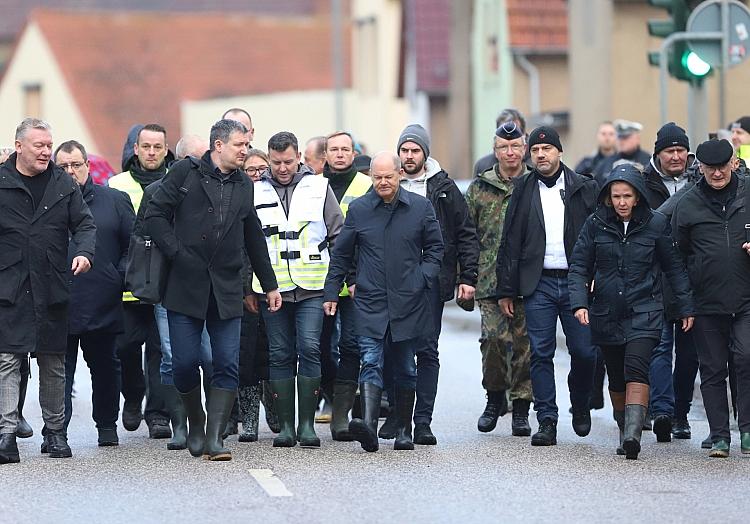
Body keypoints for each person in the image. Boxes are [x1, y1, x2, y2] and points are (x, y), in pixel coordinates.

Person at [145, 119, 281, 461]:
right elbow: (154, 216)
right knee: (184, 363)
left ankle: (215, 436)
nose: (245, 151)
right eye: (239, 145)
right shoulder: (184, 174)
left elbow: (253, 236)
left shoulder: (243, 185)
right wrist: (176, 253)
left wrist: (269, 285)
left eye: (247, 146)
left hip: (226, 286)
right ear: (218, 145)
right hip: (184, 284)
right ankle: (195, 420)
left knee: (226, 363)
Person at [568, 164, 694, 459]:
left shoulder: (656, 224)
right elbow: (579, 267)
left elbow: (674, 268)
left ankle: (632, 437)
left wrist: (686, 306)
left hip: (645, 308)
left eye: (627, 196)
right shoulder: (595, 224)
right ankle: (625, 425)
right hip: (606, 311)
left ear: (637, 197)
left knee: (637, 366)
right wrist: (579, 303)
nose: (621, 202)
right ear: (608, 197)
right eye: (616, 196)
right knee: (615, 376)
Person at [323, 152, 444, 452]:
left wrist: (422, 278)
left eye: (388, 176)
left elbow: (436, 248)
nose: (383, 182)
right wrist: (331, 291)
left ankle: (404, 429)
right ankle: (369, 428)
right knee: (371, 360)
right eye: (377, 177)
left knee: (405, 366)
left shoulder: (420, 207)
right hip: (370, 300)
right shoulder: (360, 209)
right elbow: (342, 254)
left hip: (408, 301)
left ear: (400, 174)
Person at [0, 118, 96, 464]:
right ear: (19, 145)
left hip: (51, 284)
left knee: (54, 362)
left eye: (48, 145)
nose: (46, 151)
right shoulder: (2, 181)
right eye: (39, 145)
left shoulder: (62, 183)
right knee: (8, 360)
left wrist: (84, 252)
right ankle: (5, 435)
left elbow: (84, 224)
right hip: (9, 286)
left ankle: (55, 433)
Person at [496, 126, 598, 446]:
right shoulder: (523, 189)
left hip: (576, 282)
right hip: (537, 283)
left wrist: (598, 274)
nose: (541, 155)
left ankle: (580, 403)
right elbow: (510, 241)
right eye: (536, 151)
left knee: (584, 352)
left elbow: (598, 235)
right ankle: (547, 420)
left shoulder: (583, 187)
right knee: (540, 353)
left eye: (547, 150)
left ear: (559, 152)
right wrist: (506, 289)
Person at [380, 123, 478, 446]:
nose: (409, 156)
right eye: (404, 151)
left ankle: (422, 420)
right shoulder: (388, 184)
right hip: (392, 283)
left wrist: (468, 277)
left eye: (414, 151)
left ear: (425, 153)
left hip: (431, 283)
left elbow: (465, 233)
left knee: (426, 350)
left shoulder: (444, 188)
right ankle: (397, 415)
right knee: (394, 349)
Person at [250, 131, 343, 448]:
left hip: (313, 287)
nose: (282, 168)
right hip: (271, 289)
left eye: (288, 161)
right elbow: (246, 243)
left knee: (310, 348)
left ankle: (307, 426)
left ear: (299, 157)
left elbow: (338, 238)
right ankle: (286, 427)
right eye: (275, 162)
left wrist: (334, 287)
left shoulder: (320, 187)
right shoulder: (254, 191)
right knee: (279, 353)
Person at [671, 138, 750, 458]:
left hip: (746, 299)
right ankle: (719, 437)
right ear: (699, 168)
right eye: (710, 168)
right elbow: (676, 257)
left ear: (734, 163)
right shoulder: (687, 204)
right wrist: (684, 302)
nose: (717, 173)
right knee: (713, 368)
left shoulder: (749, 194)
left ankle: (746, 430)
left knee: (746, 358)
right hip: (704, 302)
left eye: (722, 166)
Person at [55, 140, 135, 447]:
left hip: (103, 299)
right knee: (59, 370)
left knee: (105, 367)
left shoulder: (113, 200)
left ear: (88, 165)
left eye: (76, 164)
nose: (71, 171)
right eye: (63, 167)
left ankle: (106, 426)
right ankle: (57, 432)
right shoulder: (47, 202)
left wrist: (119, 276)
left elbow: (133, 245)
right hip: (59, 301)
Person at [465, 121, 532, 437]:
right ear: (495, 151)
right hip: (489, 281)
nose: (510, 152)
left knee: (524, 345)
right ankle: (494, 398)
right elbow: (466, 236)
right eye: (504, 147)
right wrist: (464, 278)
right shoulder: (480, 188)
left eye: (515, 146)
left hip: (529, 280)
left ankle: (521, 407)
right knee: (493, 341)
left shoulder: (535, 184)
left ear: (524, 149)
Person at [108, 124, 172, 438]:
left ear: (166, 149)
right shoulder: (116, 184)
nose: (150, 152)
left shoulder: (178, 180)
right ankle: (133, 395)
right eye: (145, 146)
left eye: (157, 147)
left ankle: (157, 414)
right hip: (127, 283)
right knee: (125, 347)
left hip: (166, 285)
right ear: (135, 148)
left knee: (161, 351)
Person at [641, 122, 702, 443]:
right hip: (655, 276)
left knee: (690, 352)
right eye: (670, 151)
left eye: (681, 150)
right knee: (660, 346)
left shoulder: (702, 179)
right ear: (658, 154)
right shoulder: (643, 182)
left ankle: (681, 414)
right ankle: (662, 410)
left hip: (693, 278)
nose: (676, 156)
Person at [320, 131, 372, 441]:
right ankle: (334, 395)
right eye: (333, 149)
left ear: (353, 154)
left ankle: (341, 415)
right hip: (319, 283)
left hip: (357, 284)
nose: (340, 154)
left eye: (345, 149)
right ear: (325, 155)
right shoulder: (312, 186)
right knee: (319, 350)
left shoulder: (366, 187)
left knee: (351, 347)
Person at [236, 148, 274, 442]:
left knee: (274, 353)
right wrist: (248, 287)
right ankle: (248, 418)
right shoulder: (239, 196)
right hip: (246, 288)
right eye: (251, 170)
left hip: (279, 285)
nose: (257, 174)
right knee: (246, 355)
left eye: (263, 169)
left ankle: (274, 407)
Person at [593, 119, 651, 188]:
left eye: (626, 138)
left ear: (637, 138)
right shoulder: (606, 163)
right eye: (619, 137)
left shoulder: (648, 161)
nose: (621, 141)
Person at [473, 108, 527, 176]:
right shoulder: (483, 166)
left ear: (524, 135)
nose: (509, 136)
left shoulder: (536, 163)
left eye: (515, 131)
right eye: (503, 132)